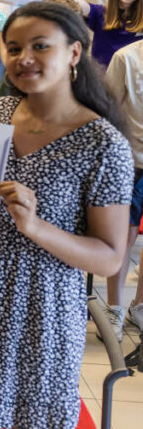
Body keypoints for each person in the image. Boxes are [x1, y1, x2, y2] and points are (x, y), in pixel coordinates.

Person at [0, 1, 133, 429]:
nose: (23, 58)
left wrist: (35, 227)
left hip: (38, 307)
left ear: (74, 52)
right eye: (13, 48)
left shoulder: (103, 143)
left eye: (39, 46)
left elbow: (109, 256)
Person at [102, 38, 143, 338]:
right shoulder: (126, 57)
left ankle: (139, 307)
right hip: (132, 160)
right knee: (124, 236)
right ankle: (114, 309)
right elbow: (108, 113)